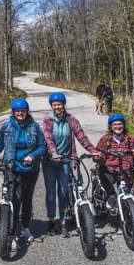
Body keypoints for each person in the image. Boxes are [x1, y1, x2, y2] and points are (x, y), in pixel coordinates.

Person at [0, 97, 46, 250]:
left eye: (22, 110)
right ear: (13, 112)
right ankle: (12, 232)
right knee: (14, 199)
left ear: (27, 111)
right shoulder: (6, 126)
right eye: (17, 111)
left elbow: (42, 147)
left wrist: (32, 156)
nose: (20, 113)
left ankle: (25, 228)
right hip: (11, 167)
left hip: (30, 169)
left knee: (27, 199)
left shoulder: (34, 127)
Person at [42, 91, 99, 237]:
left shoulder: (71, 119)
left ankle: (64, 221)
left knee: (64, 192)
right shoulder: (48, 120)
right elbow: (48, 138)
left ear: (63, 105)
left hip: (66, 160)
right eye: (54, 105)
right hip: (49, 161)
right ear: (52, 106)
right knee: (50, 194)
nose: (57, 107)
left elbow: (81, 136)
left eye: (59, 104)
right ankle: (50, 219)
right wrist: (54, 153)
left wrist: (92, 150)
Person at [94, 113, 134, 209]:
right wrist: (98, 156)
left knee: (126, 192)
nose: (118, 127)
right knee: (104, 176)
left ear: (123, 125)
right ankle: (111, 195)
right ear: (111, 126)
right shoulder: (106, 139)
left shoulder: (131, 138)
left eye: (120, 124)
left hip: (127, 169)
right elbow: (97, 152)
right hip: (111, 169)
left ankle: (127, 216)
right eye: (115, 124)